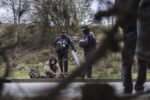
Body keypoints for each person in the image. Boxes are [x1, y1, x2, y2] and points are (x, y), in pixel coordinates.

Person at [114, 0, 147, 94]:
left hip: (129, 33)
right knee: (142, 62)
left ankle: (128, 88)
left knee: (126, 62)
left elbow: (118, 16)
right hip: (142, 33)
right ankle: (139, 87)